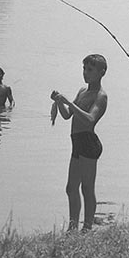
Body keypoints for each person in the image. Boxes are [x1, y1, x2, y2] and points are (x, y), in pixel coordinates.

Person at [51, 54, 108, 232]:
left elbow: (90, 119)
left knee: (87, 188)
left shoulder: (101, 96)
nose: (86, 73)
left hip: (89, 143)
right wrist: (60, 102)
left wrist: (69, 102)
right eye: (84, 69)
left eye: (90, 70)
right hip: (76, 142)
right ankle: (73, 227)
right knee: (70, 188)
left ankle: (87, 227)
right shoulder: (83, 91)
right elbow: (68, 115)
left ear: (101, 72)